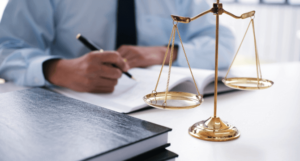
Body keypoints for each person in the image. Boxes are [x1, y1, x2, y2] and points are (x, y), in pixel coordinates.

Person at [0, 0, 235, 93]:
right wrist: (57, 70)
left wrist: (164, 52)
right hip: (68, 110)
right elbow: (6, 48)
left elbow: (222, 42)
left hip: (163, 110)